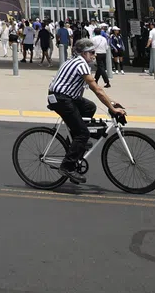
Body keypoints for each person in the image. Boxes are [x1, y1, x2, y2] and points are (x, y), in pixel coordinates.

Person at [46, 38, 125, 184]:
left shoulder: (77, 61)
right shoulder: (80, 64)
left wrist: (113, 102)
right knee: (83, 133)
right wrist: (112, 108)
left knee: (90, 107)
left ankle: (75, 143)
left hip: (68, 98)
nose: (94, 55)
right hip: (60, 99)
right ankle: (67, 167)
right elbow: (97, 89)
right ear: (83, 53)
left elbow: (98, 91)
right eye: (92, 53)